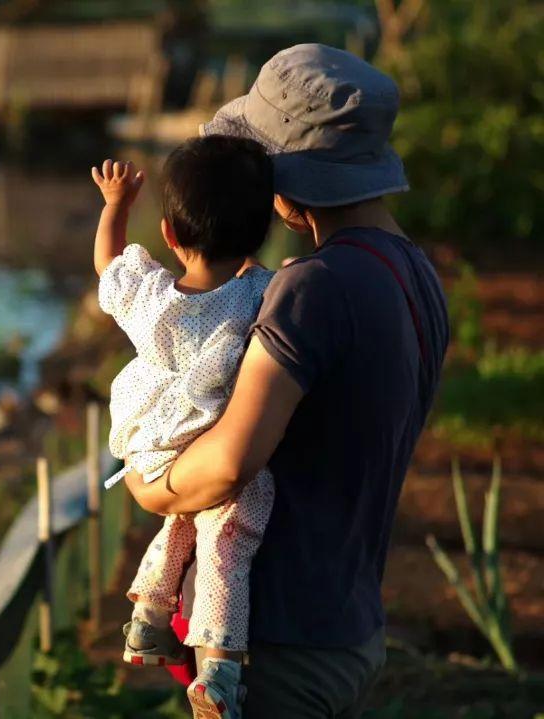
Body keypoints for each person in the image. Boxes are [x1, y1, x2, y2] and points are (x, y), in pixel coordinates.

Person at [122, 44, 450, 718]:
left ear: (291, 179)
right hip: (350, 627)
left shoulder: (314, 286)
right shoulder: (416, 275)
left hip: (276, 645)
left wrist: (146, 484)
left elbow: (231, 462)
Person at [91, 135, 277, 719]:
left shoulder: (151, 297)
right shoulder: (258, 294)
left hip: (148, 441)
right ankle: (217, 672)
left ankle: (148, 615)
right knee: (230, 533)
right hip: (200, 439)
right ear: (261, 233)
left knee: (182, 520)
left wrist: (116, 205)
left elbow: (107, 264)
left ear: (170, 235)